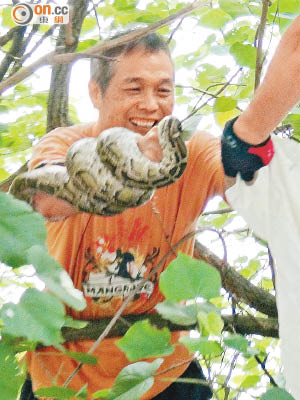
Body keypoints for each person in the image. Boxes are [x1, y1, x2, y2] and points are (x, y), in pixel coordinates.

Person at [17, 14, 300, 400]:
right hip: (62, 378)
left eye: (164, 91)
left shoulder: (190, 151)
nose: (151, 105)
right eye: (134, 88)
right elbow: (48, 199)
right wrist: (132, 161)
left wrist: (251, 130)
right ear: (96, 93)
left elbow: (244, 174)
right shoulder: (64, 143)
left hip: (165, 373)